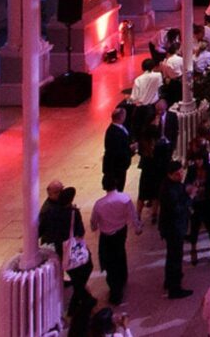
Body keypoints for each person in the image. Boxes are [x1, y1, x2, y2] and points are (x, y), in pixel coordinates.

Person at [91, 176, 140, 305]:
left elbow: (93, 222)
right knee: (120, 254)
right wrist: (137, 227)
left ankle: (115, 289)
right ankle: (123, 277)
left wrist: (95, 227)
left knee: (109, 261)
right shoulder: (125, 198)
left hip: (106, 235)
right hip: (121, 231)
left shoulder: (99, 203)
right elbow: (133, 215)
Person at [159, 161, 195, 299]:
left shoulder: (174, 184)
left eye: (181, 172)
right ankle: (175, 289)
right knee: (175, 257)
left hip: (174, 227)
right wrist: (190, 198)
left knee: (172, 256)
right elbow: (177, 209)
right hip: (173, 228)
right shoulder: (169, 190)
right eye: (177, 174)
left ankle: (169, 281)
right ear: (170, 175)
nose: (180, 175)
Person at [103, 107, 135, 188]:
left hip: (121, 164)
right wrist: (130, 148)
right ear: (121, 117)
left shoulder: (121, 127)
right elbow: (116, 150)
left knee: (121, 184)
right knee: (118, 186)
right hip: (115, 166)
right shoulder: (113, 132)